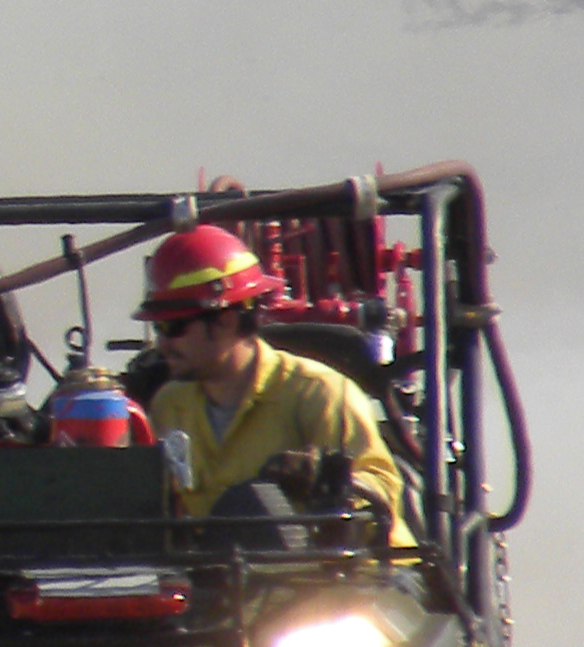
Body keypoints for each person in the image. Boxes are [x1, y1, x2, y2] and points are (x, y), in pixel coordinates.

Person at [136, 225, 412, 540]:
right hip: (235, 580)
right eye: (157, 328)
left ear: (225, 319)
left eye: (171, 326)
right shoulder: (170, 406)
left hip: (355, 576)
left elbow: (385, 489)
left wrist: (327, 480)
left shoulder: (318, 393)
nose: (161, 344)